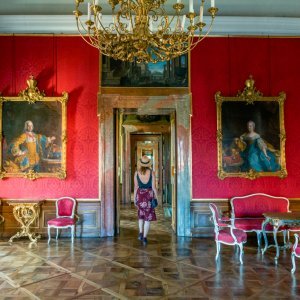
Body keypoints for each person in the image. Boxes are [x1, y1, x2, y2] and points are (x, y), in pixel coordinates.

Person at [133, 155, 158, 245]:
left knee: (141, 215)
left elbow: (136, 187)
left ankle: (140, 232)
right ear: (148, 164)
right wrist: (156, 197)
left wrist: (134, 199)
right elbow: (154, 187)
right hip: (149, 196)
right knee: (147, 218)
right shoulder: (152, 173)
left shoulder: (136, 173)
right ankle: (144, 237)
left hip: (140, 195)